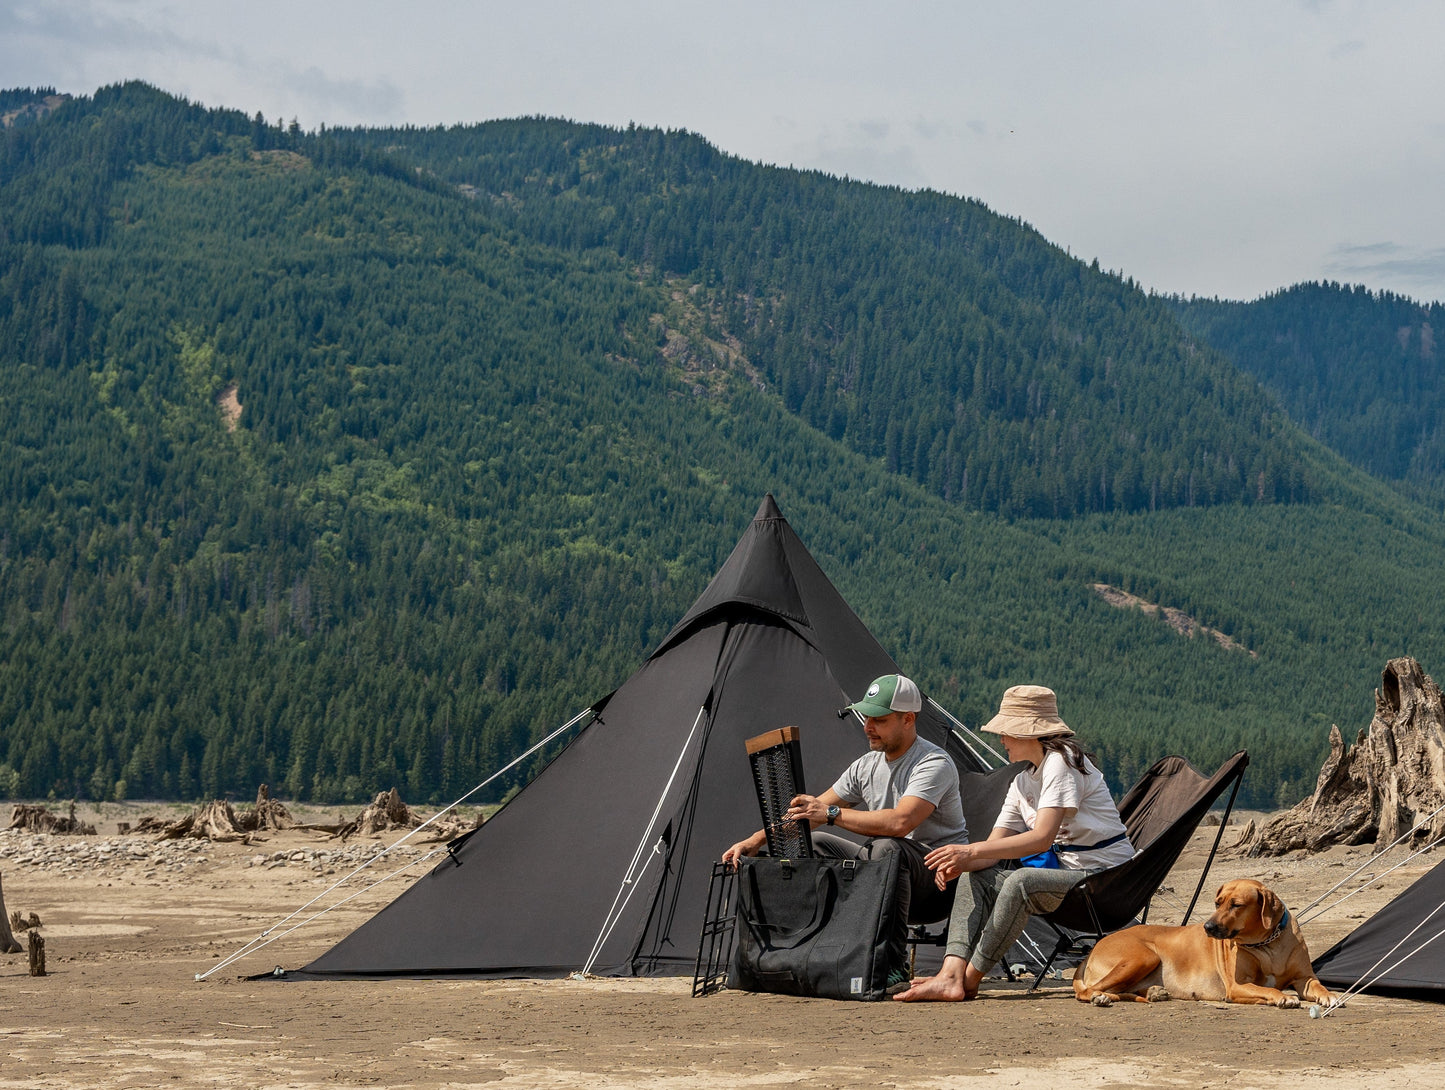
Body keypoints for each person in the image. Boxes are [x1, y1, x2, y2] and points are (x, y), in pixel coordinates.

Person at [722, 673, 969, 991]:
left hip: (938, 885)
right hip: (887, 877)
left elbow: (900, 823)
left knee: (887, 848)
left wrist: (832, 815)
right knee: (816, 841)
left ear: (908, 719)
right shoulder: (866, 765)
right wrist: (754, 840)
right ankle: (813, 951)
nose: (868, 726)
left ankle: (890, 965)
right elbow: (809, 815)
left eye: (878, 719)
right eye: (867, 717)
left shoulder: (933, 763)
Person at [894, 684, 1133, 1002]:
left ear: (1029, 733)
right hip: (1073, 883)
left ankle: (968, 978)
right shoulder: (1022, 781)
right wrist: (961, 862)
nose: (1001, 739)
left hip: (1110, 881)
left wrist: (971, 849)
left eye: (1007, 731)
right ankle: (950, 974)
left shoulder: (1062, 762)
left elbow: (1041, 838)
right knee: (976, 876)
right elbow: (992, 851)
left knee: (1020, 881)